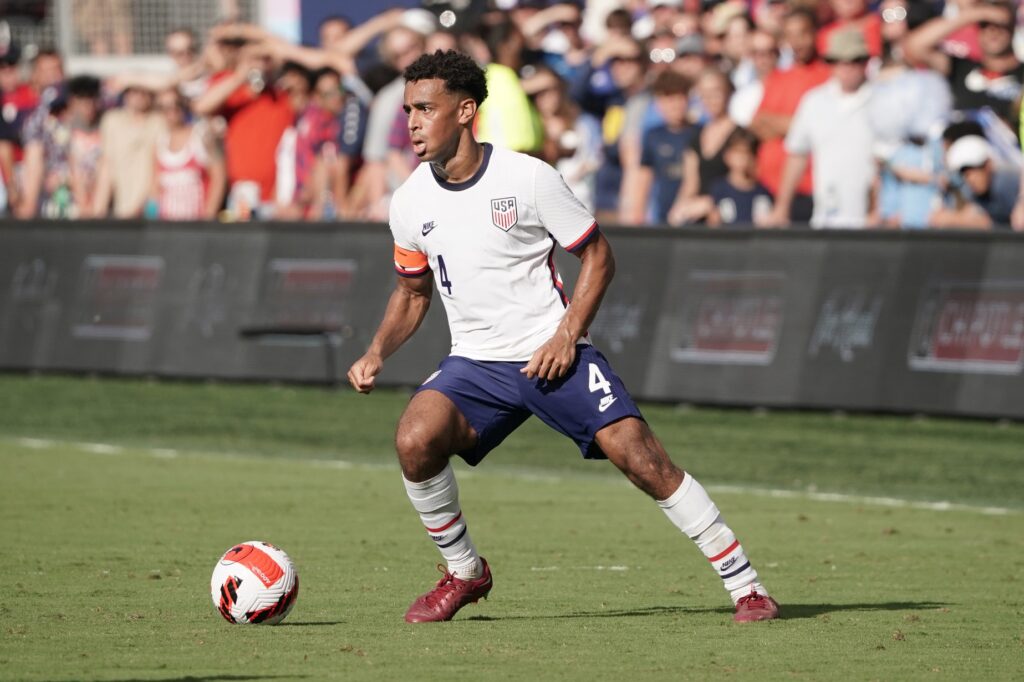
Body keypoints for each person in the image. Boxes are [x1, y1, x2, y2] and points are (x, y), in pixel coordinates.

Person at [346, 49, 779, 625]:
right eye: (408, 110)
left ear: (466, 110)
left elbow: (598, 256)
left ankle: (746, 586)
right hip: (475, 363)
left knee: (641, 458)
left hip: (554, 353)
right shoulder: (409, 203)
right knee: (414, 440)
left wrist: (566, 335)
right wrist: (377, 351)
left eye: (426, 108)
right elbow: (413, 292)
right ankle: (465, 573)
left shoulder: (527, 177)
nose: (413, 121)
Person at [762, 29, 876, 229]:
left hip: (870, 220)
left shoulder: (881, 99)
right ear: (831, 64)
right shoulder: (814, 102)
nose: (848, 68)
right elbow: (797, 154)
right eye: (840, 61)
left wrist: (879, 208)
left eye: (855, 60)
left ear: (866, 62)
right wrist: (782, 207)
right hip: (827, 216)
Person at [904, 0, 1024, 131]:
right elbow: (913, 47)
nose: (992, 31)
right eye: (984, 25)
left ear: (1013, 26)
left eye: (1000, 25)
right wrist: (975, 14)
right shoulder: (961, 68)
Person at [931, 134, 1021, 229]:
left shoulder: (1008, 182)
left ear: (988, 165)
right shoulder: (967, 190)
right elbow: (938, 218)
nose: (971, 179)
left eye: (974, 170)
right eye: (965, 174)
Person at [708, 127, 773, 227]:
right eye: (738, 152)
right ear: (727, 156)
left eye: (747, 153)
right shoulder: (718, 190)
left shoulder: (763, 192)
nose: (742, 158)